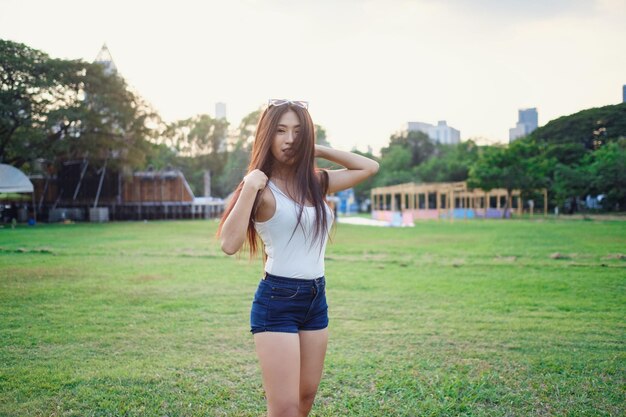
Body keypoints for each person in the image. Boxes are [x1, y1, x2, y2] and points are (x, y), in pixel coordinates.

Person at [217, 99, 379, 417]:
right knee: (285, 408)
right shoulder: (260, 188)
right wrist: (249, 186)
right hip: (277, 301)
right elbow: (229, 243)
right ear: (267, 135)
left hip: (315, 298)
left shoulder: (315, 183)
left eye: (297, 131)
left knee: (305, 398)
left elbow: (369, 168)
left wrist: (317, 149)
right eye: (280, 131)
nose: (290, 139)